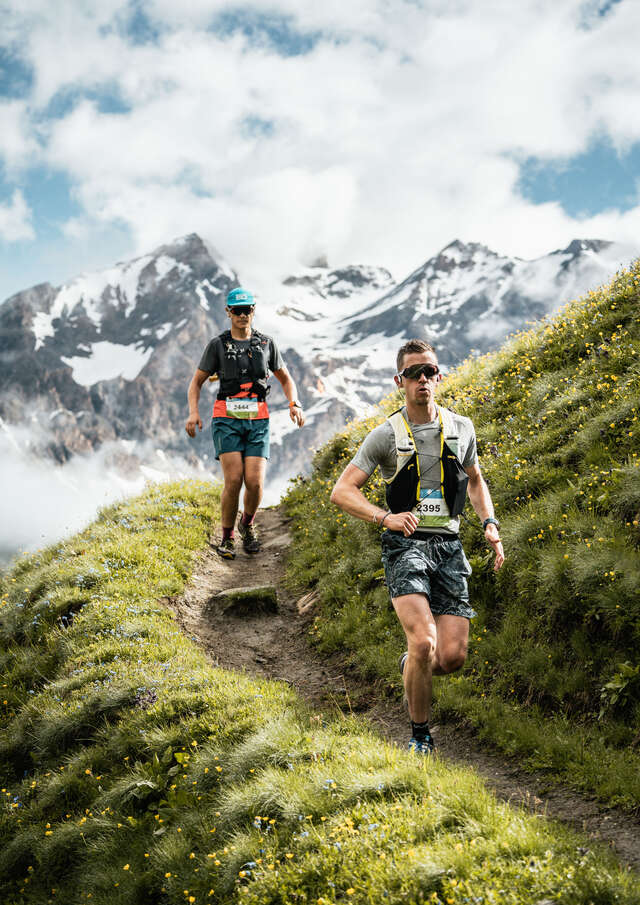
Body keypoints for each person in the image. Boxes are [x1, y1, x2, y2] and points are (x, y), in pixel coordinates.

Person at [330, 338, 504, 754]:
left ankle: (411, 666)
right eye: (414, 373)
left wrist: (490, 523)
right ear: (400, 381)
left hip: (449, 545)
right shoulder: (385, 435)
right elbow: (342, 491)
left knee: (452, 657)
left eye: (430, 371)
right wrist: (384, 517)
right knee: (424, 641)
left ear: (439, 377)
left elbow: (475, 480)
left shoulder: (461, 428)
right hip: (404, 545)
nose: (423, 379)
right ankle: (420, 735)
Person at [186, 287, 305, 559]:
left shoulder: (266, 344)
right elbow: (196, 382)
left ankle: (247, 524)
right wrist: (193, 413)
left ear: (253, 310)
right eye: (237, 310)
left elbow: (286, 379)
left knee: (255, 482)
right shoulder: (217, 345)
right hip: (226, 419)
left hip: (258, 421)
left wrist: (294, 403)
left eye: (247, 309)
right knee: (234, 480)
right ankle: (227, 537)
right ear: (228, 312)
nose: (242, 315)